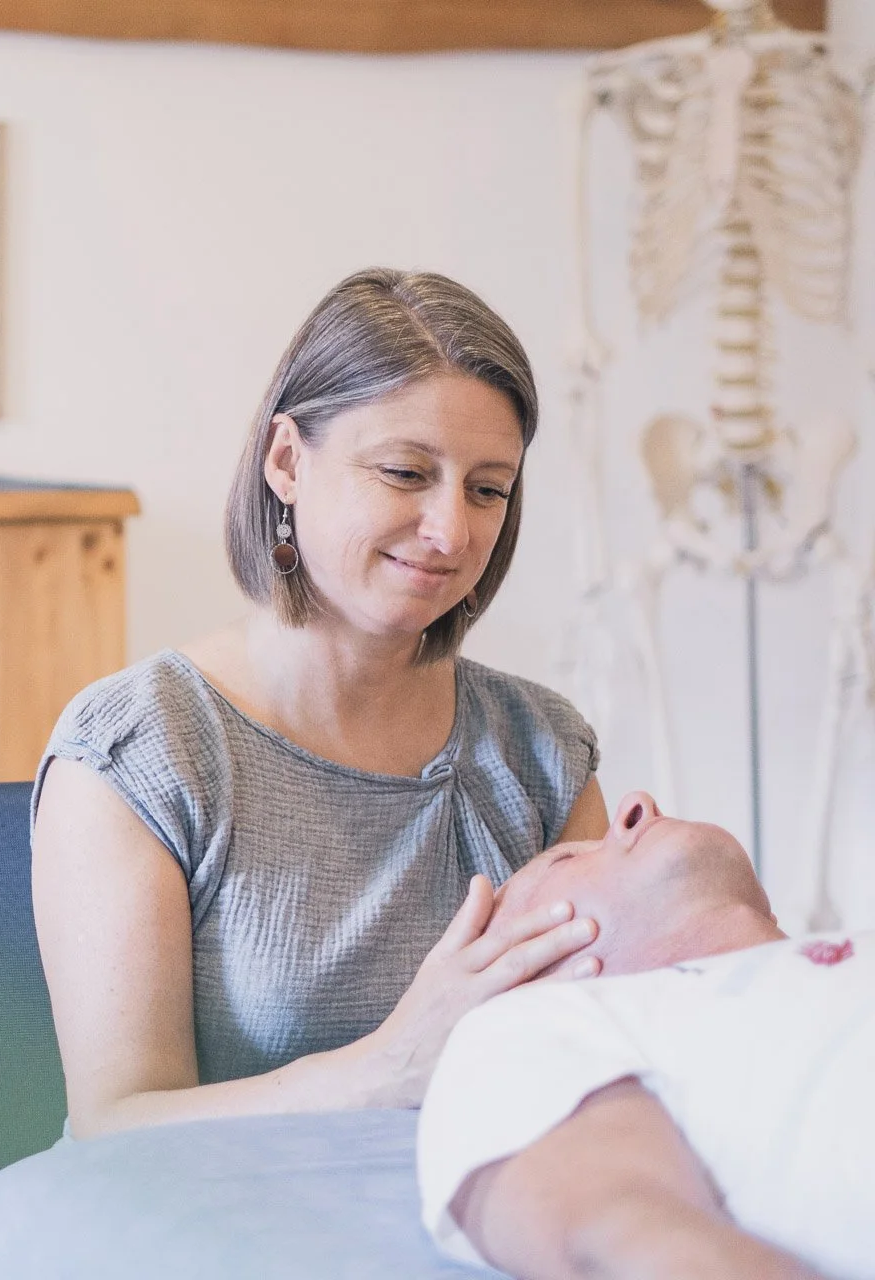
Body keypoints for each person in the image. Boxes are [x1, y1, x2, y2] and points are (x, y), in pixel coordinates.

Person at [33, 268, 609, 1139]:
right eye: (406, 472)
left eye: (488, 489)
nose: (452, 531)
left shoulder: (542, 752)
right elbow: (112, 1126)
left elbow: (607, 1051)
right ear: (286, 462)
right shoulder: (140, 751)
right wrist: (386, 1070)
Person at [418, 789, 873, 1280]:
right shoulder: (519, 1029)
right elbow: (628, 1239)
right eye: (567, 860)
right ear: (517, 973)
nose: (639, 805)